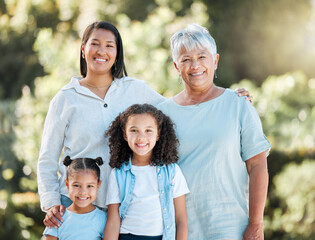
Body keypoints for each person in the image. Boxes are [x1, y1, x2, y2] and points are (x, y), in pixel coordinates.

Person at [38, 21, 252, 229]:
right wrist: (51, 203)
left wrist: (226, 97)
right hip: (76, 204)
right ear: (83, 49)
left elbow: (179, 110)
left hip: (123, 207)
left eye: (109, 45)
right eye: (95, 44)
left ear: (117, 53)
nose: (101, 51)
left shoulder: (135, 89)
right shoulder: (65, 98)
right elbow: (47, 158)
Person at [157, 23, 271, 240]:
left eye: (202, 57)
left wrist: (256, 224)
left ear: (215, 60)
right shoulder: (162, 114)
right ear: (176, 66)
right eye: (186, 59)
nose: (195, 65)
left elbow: (257, 165)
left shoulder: (238, 104)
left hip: (232, 228)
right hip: (180, 231)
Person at [104, 104, 189, 240]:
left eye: (148, 130)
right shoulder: (118, 173)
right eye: (134, 130)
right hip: (127, 236)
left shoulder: (172, 171)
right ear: (125, 135)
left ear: (158, 134)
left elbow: (181, 220)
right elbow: (113, 221)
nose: (141, 137)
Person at [43, 156, 106, 239]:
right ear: (67, 184)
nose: (83, 192)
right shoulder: (57, 218)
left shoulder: (103, 219)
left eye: (89, 186)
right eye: (77, 185)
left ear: (98, 185)